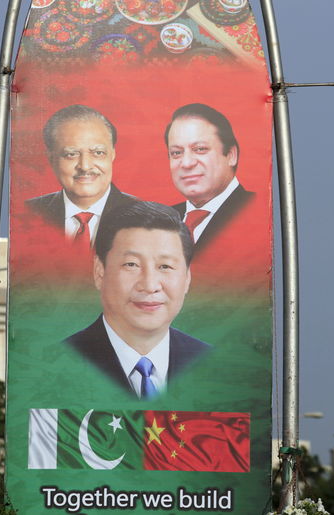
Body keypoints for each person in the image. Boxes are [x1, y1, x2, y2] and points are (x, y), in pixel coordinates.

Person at [64, 201, 210, 398]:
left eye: (165, 266)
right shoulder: (59, 361)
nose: (150, 285)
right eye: (131, 264)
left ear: (187, 278)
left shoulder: (213, 365)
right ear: (99, 272)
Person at [27, 104, 137, 246]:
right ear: (51, 159)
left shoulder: (149, 218)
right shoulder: (26, 215)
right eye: (71, 154)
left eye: (98, 153)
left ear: (113, 154)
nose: (85, 166)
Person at [164, 103, 255, 252]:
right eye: (176, 153)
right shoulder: (159, 222)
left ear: (231, 155)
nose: (187, 163)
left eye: (200, 149)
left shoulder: (257, 212)